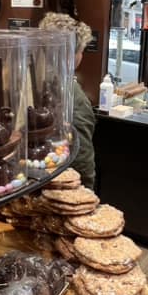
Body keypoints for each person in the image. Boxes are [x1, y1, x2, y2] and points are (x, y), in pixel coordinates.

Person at [39, 12, 96, 189]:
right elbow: (81, 158)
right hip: (58, 185)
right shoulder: (73, 97)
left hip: (28, 180)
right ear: (72, 56)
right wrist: (86, 191)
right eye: (81, 51)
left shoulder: (28, 80)